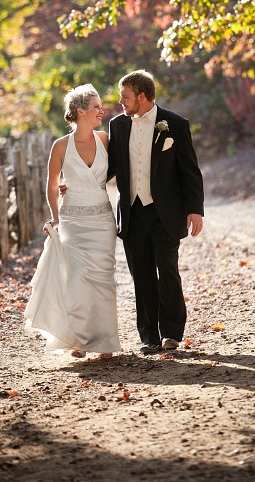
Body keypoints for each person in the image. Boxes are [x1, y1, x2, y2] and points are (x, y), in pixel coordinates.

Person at [108, 69, 204, 355]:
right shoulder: (118, 125)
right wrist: (78, 182)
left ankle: (172, 333)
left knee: (168, 271)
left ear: (142, 96)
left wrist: (195, 210)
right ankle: (149, 336)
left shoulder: (174, 124)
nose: (121, 102)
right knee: (142, 276)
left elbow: (190, 171)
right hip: (132, 212)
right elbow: (109, 166)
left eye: (125, 97)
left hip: (166, 212)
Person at [25, 84, 121, 359]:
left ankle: (105, 341)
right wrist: (56, 217)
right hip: (72, 222)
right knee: (77, 278)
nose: (102, 111)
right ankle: (78, 340)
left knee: (103, 280)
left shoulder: (104, 139)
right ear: (80, 112)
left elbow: (117, 173)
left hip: (102, 220)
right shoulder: (61, 146)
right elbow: (52, 185)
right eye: (96, 107)